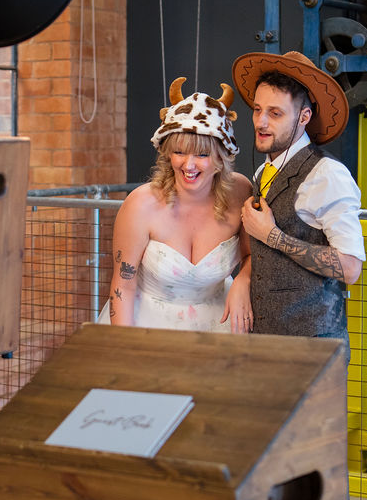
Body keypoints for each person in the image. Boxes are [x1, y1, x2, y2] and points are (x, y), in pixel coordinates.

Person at [232, 50, 365, 500]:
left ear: (303, 117)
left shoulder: (327, 176)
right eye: (258, 110)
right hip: (270, 346)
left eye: (275, 113)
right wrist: (243, 278)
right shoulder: (264, 173)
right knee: (277, 468)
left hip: (313, 346)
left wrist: (274, 236)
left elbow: (350, 267)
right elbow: (258, 257)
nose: (261, 122)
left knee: (315, 468)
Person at [102, 77, 254, 343]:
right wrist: (124, 349)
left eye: (202, 155)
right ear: (167, 153)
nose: (189, 165)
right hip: (147, 331)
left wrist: (244, 279)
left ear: (221, 157)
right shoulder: (140, 205)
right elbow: (123, 285)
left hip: (219, 329)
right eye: (180, 152)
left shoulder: (241, 192)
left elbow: (252, 255)